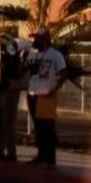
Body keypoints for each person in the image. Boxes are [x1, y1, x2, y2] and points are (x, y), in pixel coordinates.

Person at [25, 27, 68, 168]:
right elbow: (25, 70)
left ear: (45, 39)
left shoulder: (55, 55)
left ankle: (51, 159)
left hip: (46, 95)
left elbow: (64, 73)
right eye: (34, 38)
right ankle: (41, 155)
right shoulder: (32, 54)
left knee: (47, 127)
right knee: (38, 127)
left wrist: (54, 90)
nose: (35, 41)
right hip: (33, 94)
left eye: (37, 38)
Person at [0, 35, 27, 162]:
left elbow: (16, 73)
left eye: (1, 42)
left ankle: (11, 153)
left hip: (8, 89)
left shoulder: (13, 54)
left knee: (9, 122)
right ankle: (0, 150)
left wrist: (4, 67)